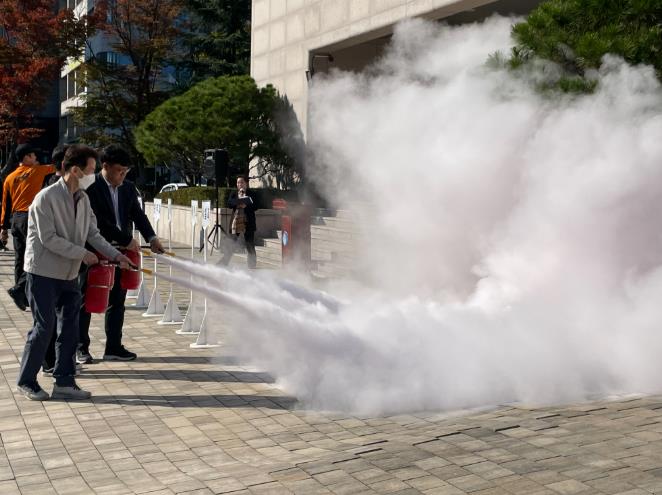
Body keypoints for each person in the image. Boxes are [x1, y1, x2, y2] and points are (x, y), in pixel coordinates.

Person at [16, 144, 132, 401]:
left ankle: (65, 381)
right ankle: (26, 380)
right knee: (44, 328)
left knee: (70, 328)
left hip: (69, 275)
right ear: (75, 170)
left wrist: (116, 254)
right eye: (90, 170)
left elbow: (93, 234)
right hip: (43, 273)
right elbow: (49, 239)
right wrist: (82, 254)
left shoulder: (83, 198)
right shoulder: (45, 198)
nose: (93, 175)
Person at [78, 144, 164, 363]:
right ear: (105, 166)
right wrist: (126, 239)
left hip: (122, 253)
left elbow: (138, 215)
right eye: (119, 171)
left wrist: (152, 238)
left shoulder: (127, 188)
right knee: (86, 298)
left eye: (126, 172)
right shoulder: (90, 187)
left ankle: (113, 347)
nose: (122, 176)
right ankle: (80, 347)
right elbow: (98, 223)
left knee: (117, 300)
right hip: (95, 251)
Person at [1, 144, 56, 310]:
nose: (36, 158)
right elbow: (58, 167)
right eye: (33, 156)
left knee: (20, 258)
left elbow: (5, 204)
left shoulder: (10, 177)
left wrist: (3, 228)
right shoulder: (37, 171)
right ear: (25, 157)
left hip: (15, 220)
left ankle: (22, 295)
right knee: (36, 255)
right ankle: (19, 290)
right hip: (30, 217)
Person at [220, 176, 257, 269]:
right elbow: (229, 204)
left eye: (241, 182)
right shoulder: (234, 193)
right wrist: (238, 203)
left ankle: (252, 264)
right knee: (231, 242)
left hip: (248, 221)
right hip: (236, 221)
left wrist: (246, 205)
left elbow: (257, 205)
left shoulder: (251, 193)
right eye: (238, 183)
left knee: (249, 243)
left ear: (246, 183)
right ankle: (224, 262)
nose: (239, 184)